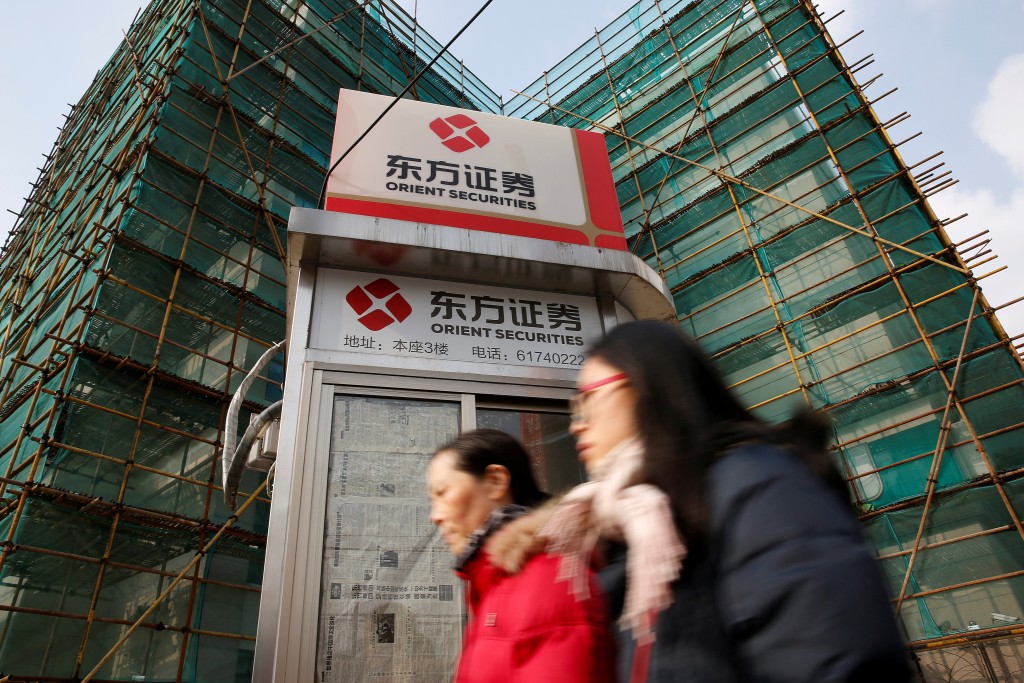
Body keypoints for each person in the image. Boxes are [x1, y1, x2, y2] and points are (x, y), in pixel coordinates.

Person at [539, 320, 912, 683]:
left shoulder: (758, 486)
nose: (576, 424)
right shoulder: (642, 518)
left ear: (645, 387)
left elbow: (836, 661)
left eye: (587, 400)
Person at [426, 428, 615, 683]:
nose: (435, 516)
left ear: (496, 481)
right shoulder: (493, 583)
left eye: (442, 492)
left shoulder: (554, 580)